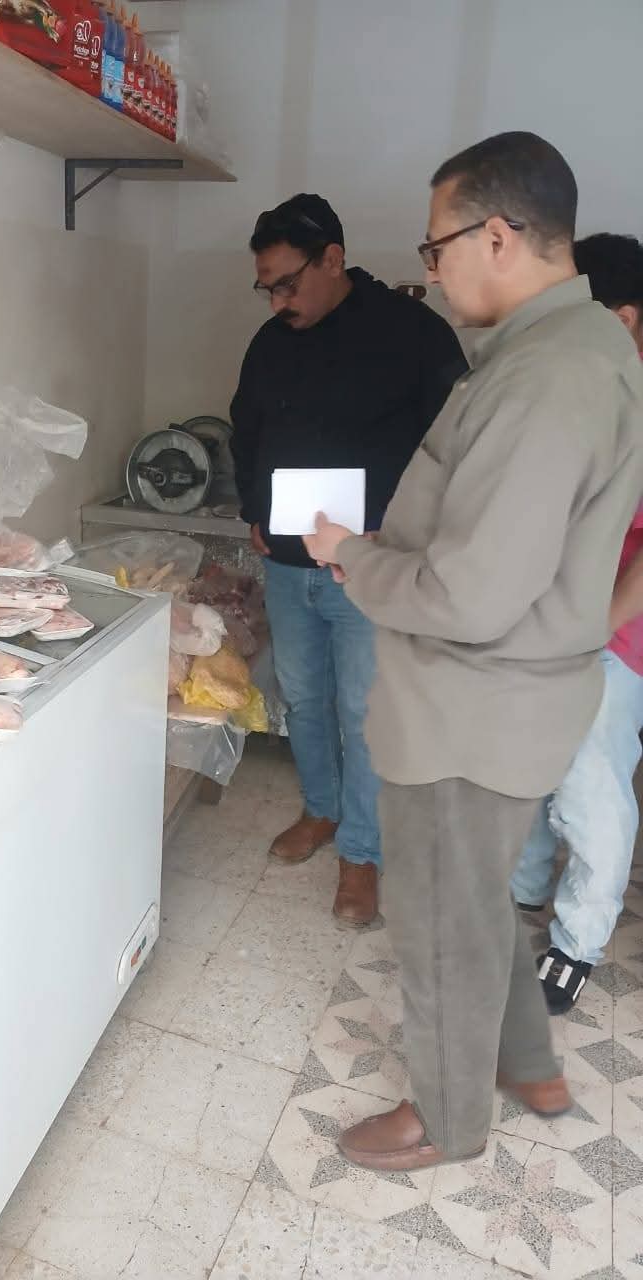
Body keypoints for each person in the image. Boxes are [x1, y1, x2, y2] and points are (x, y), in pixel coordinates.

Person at [303, 132, 643, 1170]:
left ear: (496, 236)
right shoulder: (572, 349)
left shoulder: (546, 376)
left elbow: (471, 592)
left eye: (436, 246)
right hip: (502, 700)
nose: (433, 270)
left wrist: (353, 555)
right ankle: (529, 1064)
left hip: (471, 710)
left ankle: (447, 1122)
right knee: (478, 900)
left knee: (442, 923)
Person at [229, 193, 466, 927]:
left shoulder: (413, 334)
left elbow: (456, 445)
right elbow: (245, 426)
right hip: (287, 563)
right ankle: (322, 811)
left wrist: (415, 533)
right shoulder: (272, 341)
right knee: (304, 697)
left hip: (373, 565)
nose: (278, 301)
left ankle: (362, 852)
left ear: (332, 259)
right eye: (266, 287)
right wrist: (254, 510)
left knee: (365, 709)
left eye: (287, 283)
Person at [512, 233, 643, 1013]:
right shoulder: (595, 392)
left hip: (614, 635)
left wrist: (595, 627)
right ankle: (525, 886)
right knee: (529, 763)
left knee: (593, 788)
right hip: (554, 618)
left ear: (621, 319)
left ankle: (576, 942)